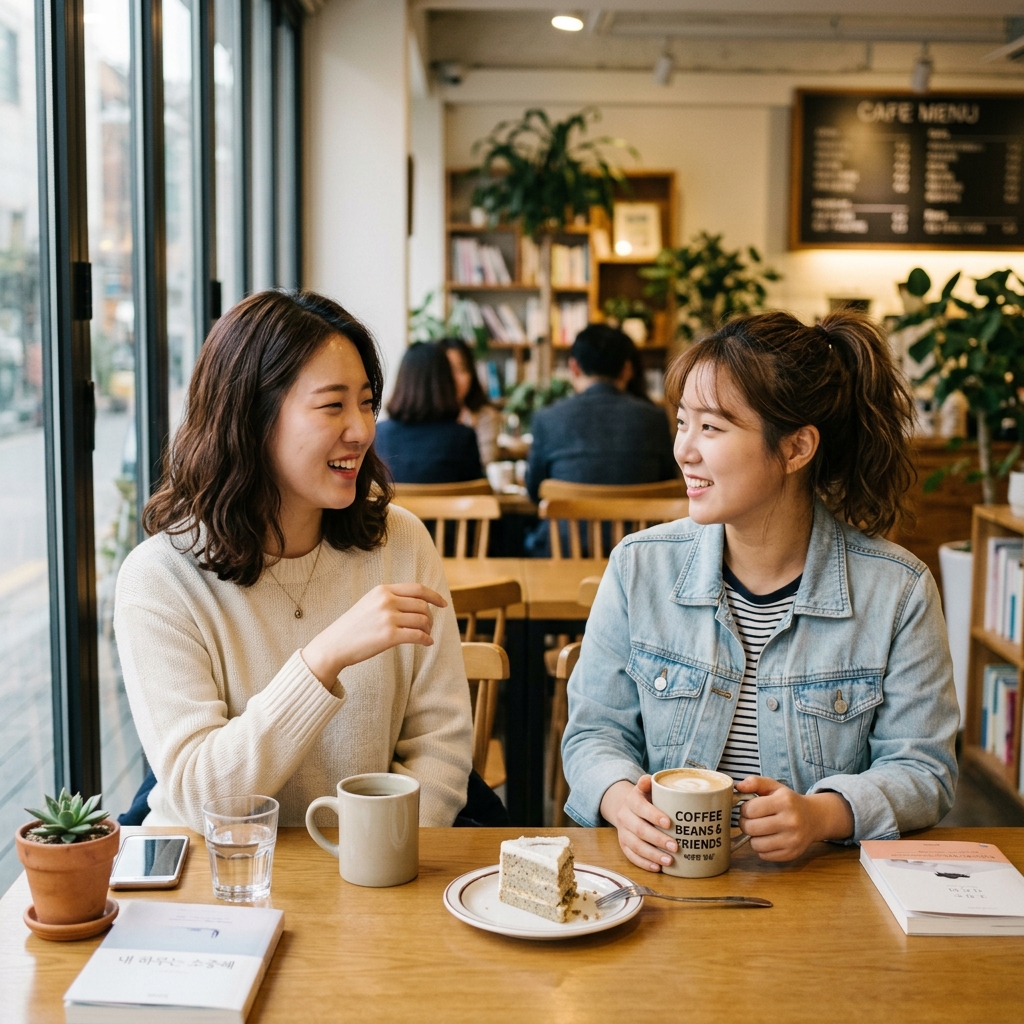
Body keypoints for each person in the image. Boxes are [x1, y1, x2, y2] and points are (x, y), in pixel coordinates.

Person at [561, 309, 959, 870]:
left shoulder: (898, 592)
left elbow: (925, 769)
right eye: (682, 422)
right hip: (666, 882)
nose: (684, 450)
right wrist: (618, 798)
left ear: (796, 448)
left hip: (818, 891)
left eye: (712, 428)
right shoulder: (638, 566)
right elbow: (594, 733)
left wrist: (824, 814)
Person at [114, 291, 474, 831]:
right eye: (333, 406)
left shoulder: (401, 542)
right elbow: (198, 796)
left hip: (375, 867)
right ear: (251, 418)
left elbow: (440, 749)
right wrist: (323, 658)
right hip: (218, 871)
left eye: (367, 403)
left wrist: (375, 855)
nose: (362, 430)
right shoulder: (160, 578)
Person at [525, 323, 677, 505]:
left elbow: (534, 492)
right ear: (627, 369)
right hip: (641, 524)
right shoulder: (655, 419)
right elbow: (668, 485)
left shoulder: (547, 419)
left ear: (574, 367)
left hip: (569, 524)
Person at [374, 342, 484, 484]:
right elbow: (478, 491)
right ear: (446, 383)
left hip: (392, 500)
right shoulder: (463, 438)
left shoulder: (378, 434)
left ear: (402, 381)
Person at [439, 336, 504, 466]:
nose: (453, 378)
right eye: (447, 370)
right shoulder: (422, 416)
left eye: (461, 369)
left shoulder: (486, 416)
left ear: (472, 374)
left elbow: (483, 465)